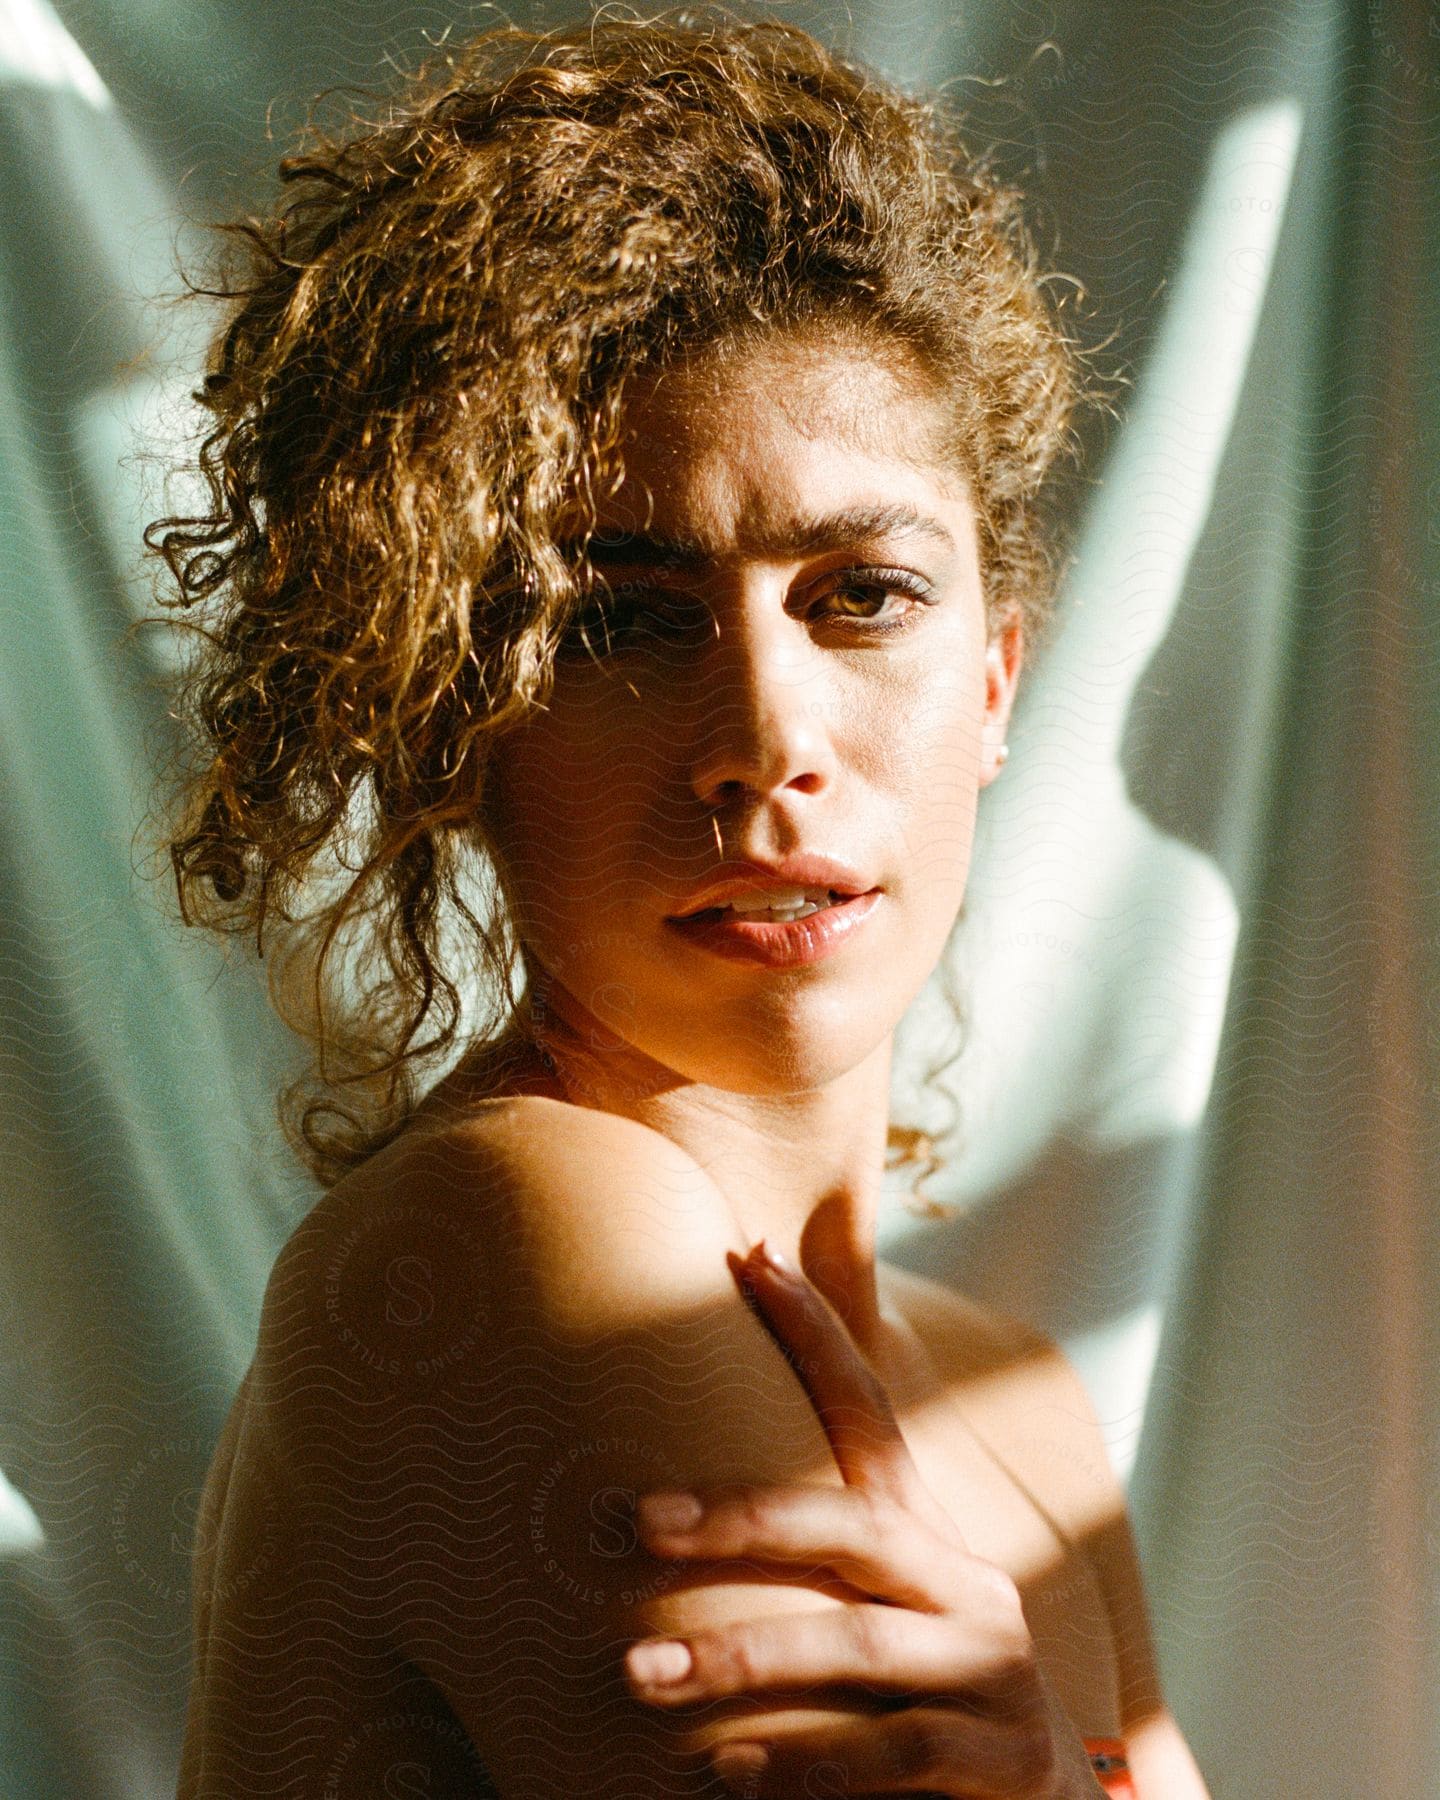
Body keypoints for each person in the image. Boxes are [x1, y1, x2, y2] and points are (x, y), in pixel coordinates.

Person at [147, 10, 1210, 1796]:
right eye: (618, 623)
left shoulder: (1014, 1394)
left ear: (1000, 682)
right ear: (447, 716)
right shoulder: (521, 1235)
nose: (762, 743)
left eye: (862, 594)